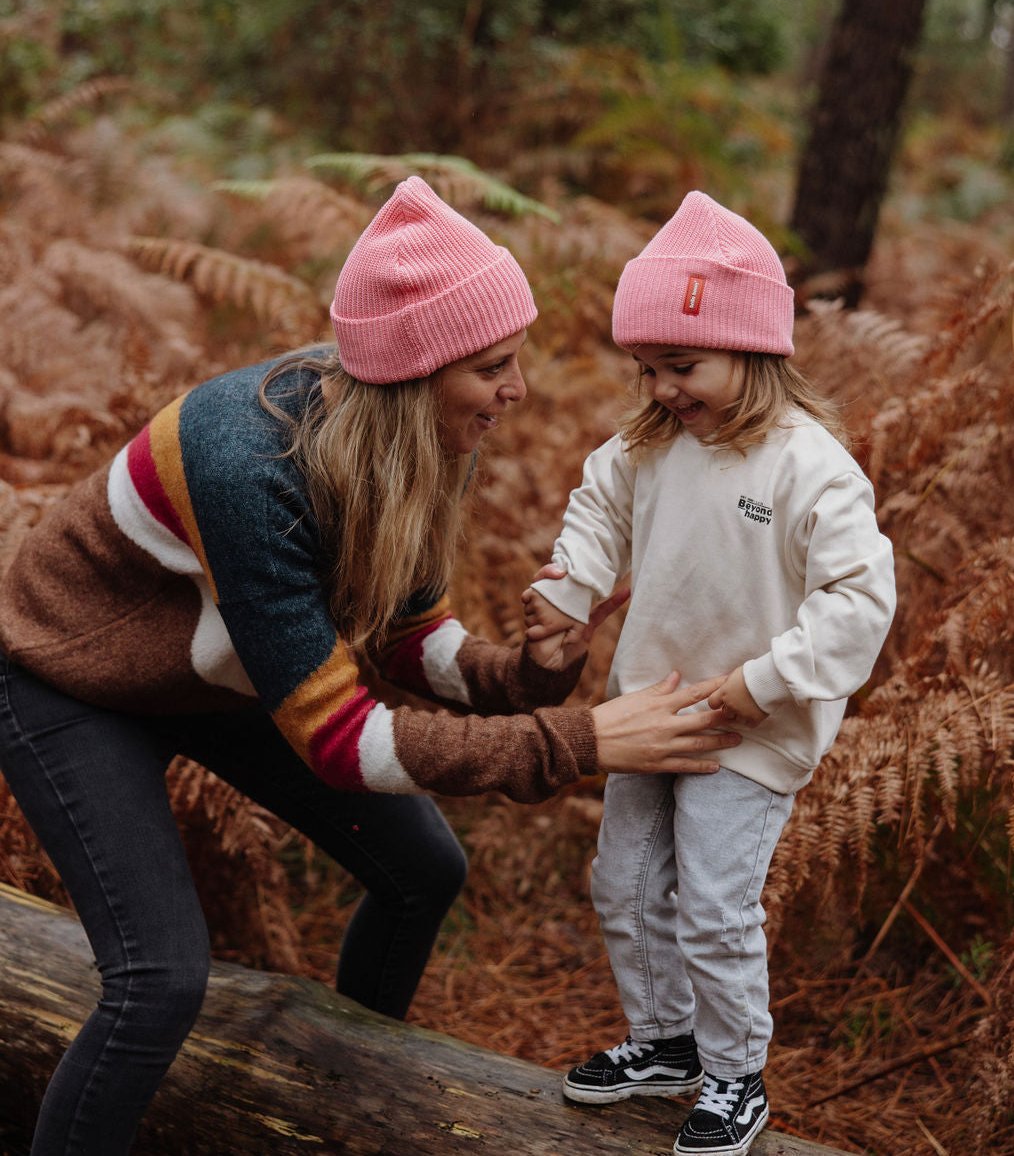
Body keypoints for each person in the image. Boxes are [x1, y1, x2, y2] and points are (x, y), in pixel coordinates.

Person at [0, 176, 741, 1156]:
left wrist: (524, 676)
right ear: (414, 370)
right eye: (493, 367)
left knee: (421, 869)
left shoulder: (426, 433)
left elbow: (404, 632)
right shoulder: (247, 463)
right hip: (65, 677)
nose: (516, 391)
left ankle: (325, 1114)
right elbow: (342, 742)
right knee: (158, 979)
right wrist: (582, 738)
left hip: (218, 670)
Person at [522, 191, 896, 1156]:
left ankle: (737, 1078)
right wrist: (569, 593)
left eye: (679, 365)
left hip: (750, 729)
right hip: (652, 707)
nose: (659, 388)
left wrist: (757, 684)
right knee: (626, 882)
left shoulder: (810, 469)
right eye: (645, 368)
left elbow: (858, 604)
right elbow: (596, 514)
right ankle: (667, 1043)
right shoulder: (647, 448)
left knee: (715, 905)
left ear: (753, 349)